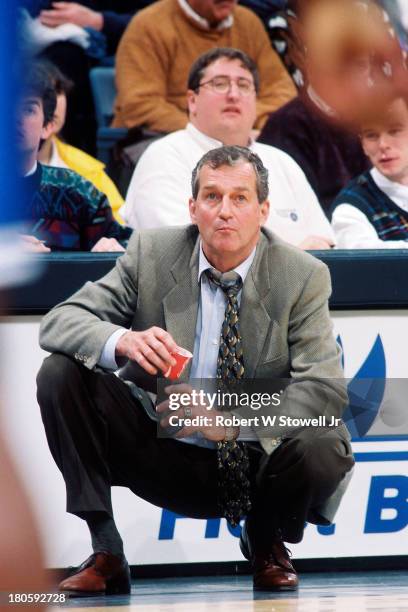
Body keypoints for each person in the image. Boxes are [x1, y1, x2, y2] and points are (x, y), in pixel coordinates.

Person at [37, 145, 354, 595]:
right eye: (212, 197)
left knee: (323, 436)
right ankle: (106, 548)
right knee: (59, 372)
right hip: (163, 445)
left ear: (263, 210)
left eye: (240, 198)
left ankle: (266, 540)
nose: (225, 211)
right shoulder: (151, 252)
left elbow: (324, 389)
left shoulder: (302, 275)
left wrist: (226, 422)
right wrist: (121, 340)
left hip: (255, 460)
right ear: (192, 207)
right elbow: (59, 321)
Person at [121, 48, 334, 250]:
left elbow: (325, 243)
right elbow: (183, 249)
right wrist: (295, 259)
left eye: (243, 85)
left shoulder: (281, 161)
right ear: (192, 101)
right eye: (219, 84)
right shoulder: (163, 156)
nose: (233, 94)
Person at [112, 0, 296, 134]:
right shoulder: (148, 26)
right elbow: (139, 105)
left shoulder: (248, 22)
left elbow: (282, 92)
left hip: (243, 138)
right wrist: (205, 132)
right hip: (165, 139)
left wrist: (238, 121)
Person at [18, 61, 132, 251]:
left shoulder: (77, 191)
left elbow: (130, 247)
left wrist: (115, 250)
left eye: (28, 109)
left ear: (47, 127)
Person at [36, 60, 125, 222]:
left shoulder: (88, 170)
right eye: (42, 93)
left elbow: (119, 224)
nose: (53, 103)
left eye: (57, 91)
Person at [331, 97, 408, 248]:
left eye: (394, 131)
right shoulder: (350, 207)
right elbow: (367, 261)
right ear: (363, 145)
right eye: (371, 135)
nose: (383, 145)